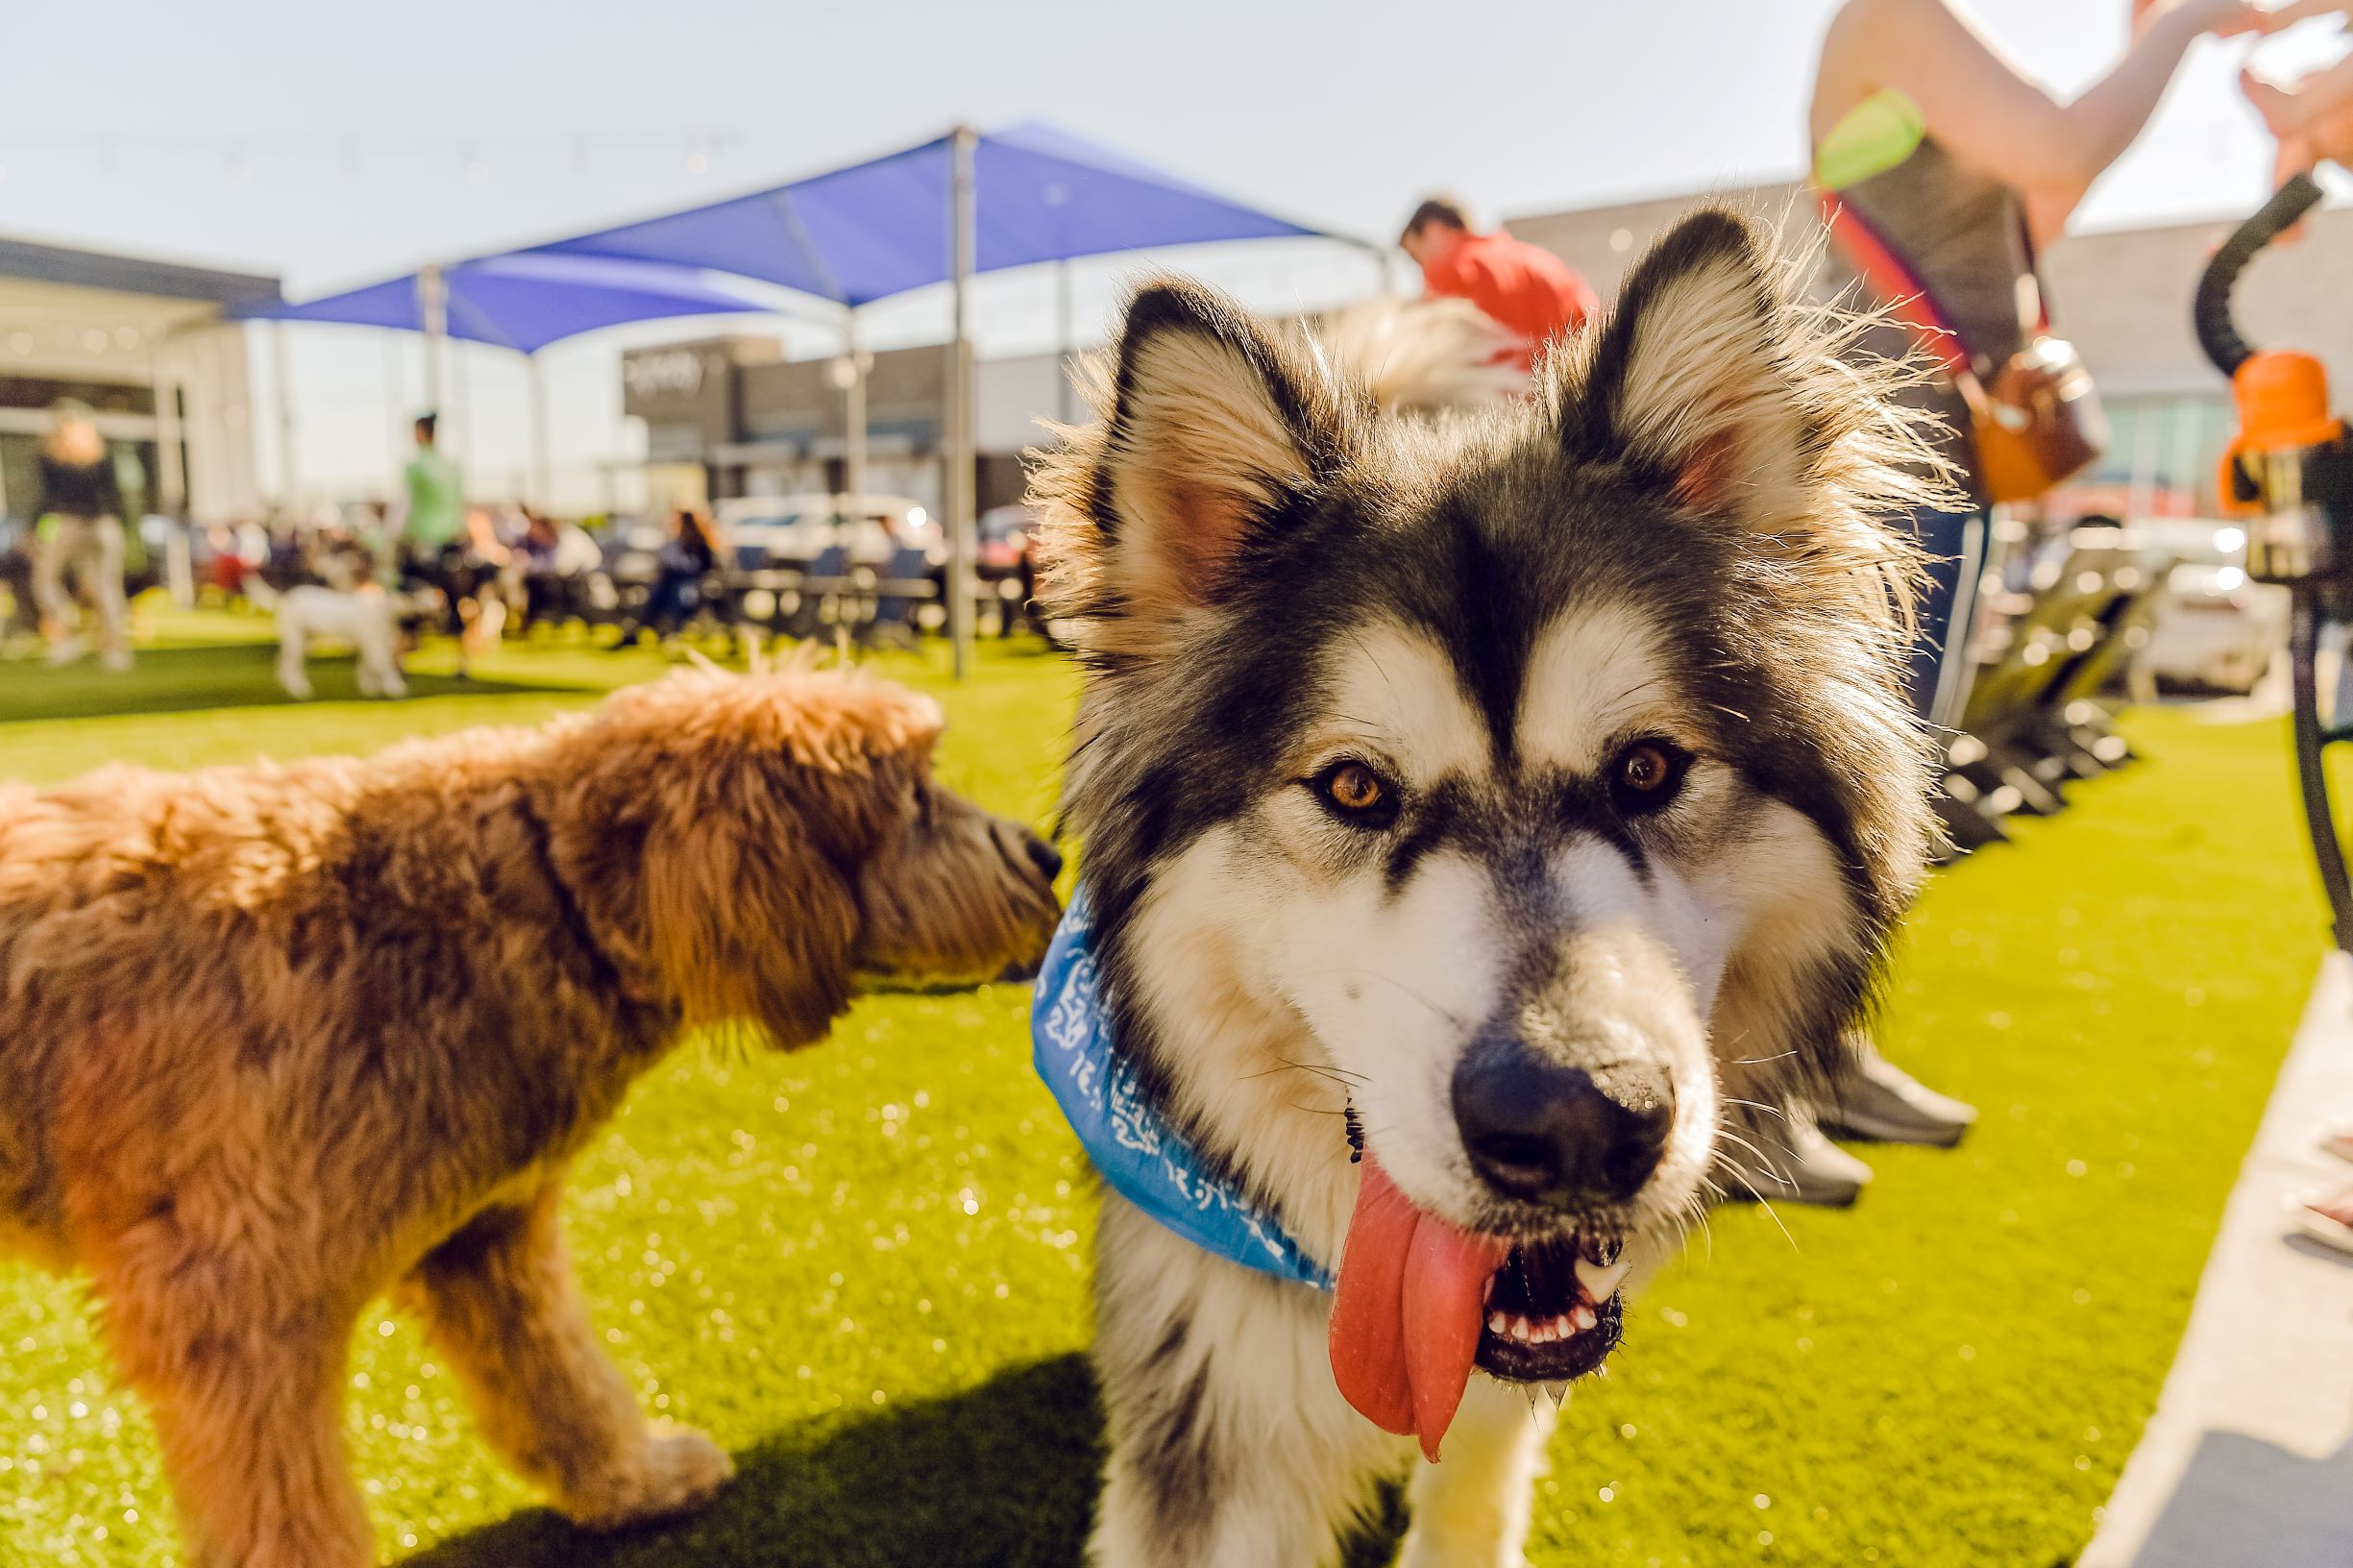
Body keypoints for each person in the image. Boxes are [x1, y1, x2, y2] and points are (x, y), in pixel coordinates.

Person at [1743, 0, 2268, 1207]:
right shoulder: (1890, 17)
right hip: (1869, 458)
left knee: (1903, 762)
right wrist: (2182, 26)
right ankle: (1756, 1096)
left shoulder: (1945, 46)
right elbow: (2062, 152)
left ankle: (1825, 1052)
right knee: (1828, 778)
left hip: (1945, 447)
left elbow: (2039, 197)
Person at [1398, 195, 1598, 372]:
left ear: (1433, 230)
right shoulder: (1543, 260)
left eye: (1415, 256)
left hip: (1510, 406)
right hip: (1577, 398)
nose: (1421, 269)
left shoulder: (1453, 270)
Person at [389, 412, 502, 676]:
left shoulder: (415, 467)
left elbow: (402, 509)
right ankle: (463, 662)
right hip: (454, 544)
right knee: (457, 603)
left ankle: (400, 658)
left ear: (420, 434)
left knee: (407, 599)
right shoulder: (452, 467)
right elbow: (461, 507)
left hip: (423, 545)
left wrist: (390, 538)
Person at [32, 400, 133, 671]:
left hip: (66, 522)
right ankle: (114, 651)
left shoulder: (51, 455)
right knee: (106, 587)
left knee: (44, 580)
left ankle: (67, 631)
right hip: (103, 524)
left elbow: (47, 499)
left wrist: (36, 530)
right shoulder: (101, 453)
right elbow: (116, 496)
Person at [623, 504, 720, 649]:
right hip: (669, 586)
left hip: (692, 587)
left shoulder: (701, 546)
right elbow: (663, 563)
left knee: (674, 592)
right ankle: (644, 629)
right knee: (656, 594)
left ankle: (664, 630)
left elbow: (703, 569)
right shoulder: (676, 544)